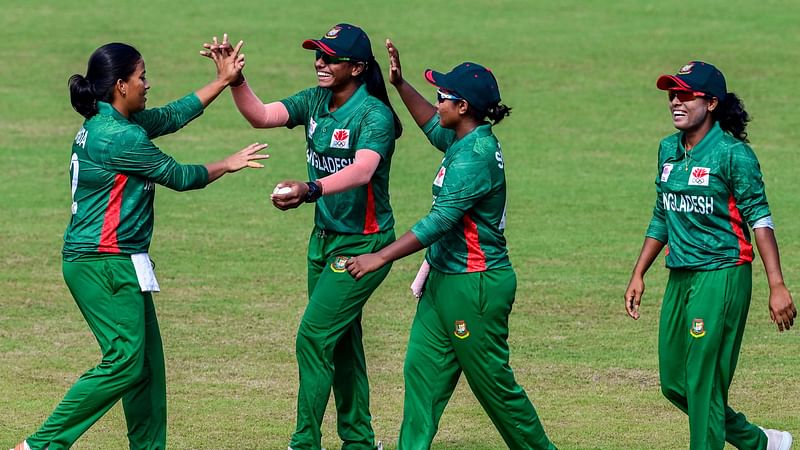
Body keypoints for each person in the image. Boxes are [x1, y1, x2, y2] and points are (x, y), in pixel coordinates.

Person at [9, 41, 268, 450]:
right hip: (103, 262)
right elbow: (180, 176)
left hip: (115, 260)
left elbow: (170, 116)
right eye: (142, 76)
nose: (148, 83)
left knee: (145, 367)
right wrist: (228, 162)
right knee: (125, 362)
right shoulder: (119, 138)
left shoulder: (109, 121)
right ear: (120, 85)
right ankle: (40, 446)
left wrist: (221, 81)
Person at [345, 40, 558, 450]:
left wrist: (379, 257)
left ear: (463, 108)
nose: (436, 102)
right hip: (445, 281)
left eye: (443, 97)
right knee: (421, 376)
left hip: (475, 284)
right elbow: (430, 124)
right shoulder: (462, 138)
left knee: (495, 389)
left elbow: (441, 221)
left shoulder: (475, 155)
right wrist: (401, 84)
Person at [202, 24, 402, 450]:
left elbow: (363, 170)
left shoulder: (374, 116)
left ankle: (304, 443)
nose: (320, 63)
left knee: (313, 336)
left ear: (358, 67)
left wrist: (311, 189)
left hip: (364, 243)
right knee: (341, 341)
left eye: (330, 58)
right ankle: (361, 442)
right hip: (324, 240)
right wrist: (236, 81)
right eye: (318, 54)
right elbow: (262, 115)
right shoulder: (315, 100)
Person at [623, 61, 796, 450]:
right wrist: (639, 273)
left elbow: (761, 220)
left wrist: (777, 285)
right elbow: (661, 215)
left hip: (722, 275)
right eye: (672, 94)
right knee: (675, 382)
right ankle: (760, 443)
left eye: (686, 94)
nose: (675, 101)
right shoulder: (667, 149)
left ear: (712, 103)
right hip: (680, 274)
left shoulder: (734, 155)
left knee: (703, 380)